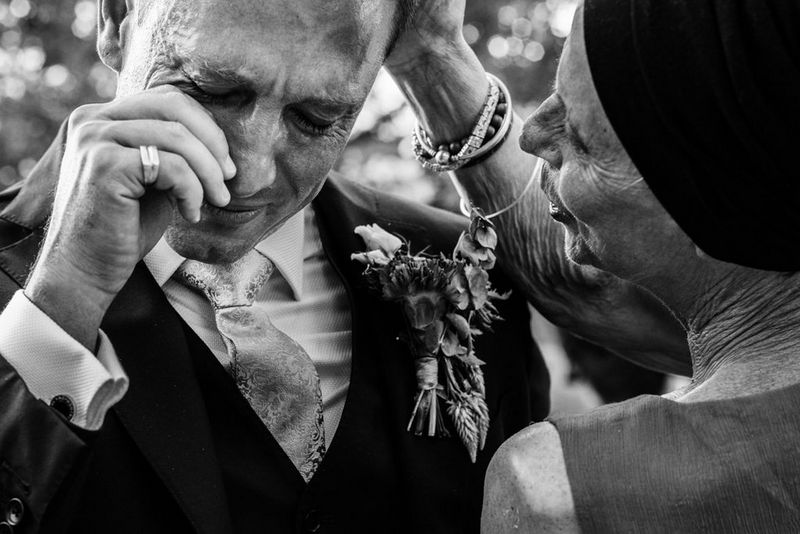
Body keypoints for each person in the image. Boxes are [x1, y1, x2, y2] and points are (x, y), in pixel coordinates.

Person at [0, 1, 551, 532]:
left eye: (317, 118)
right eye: (213, 92)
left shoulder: (464, 267)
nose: (250, 174)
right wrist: (64, 300)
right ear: (118, 19)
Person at [388, 0, 800, 531]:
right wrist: (431, 55)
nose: (532, 135)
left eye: (578, 139)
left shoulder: (558, 487)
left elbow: (583, 288)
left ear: (716, 204)